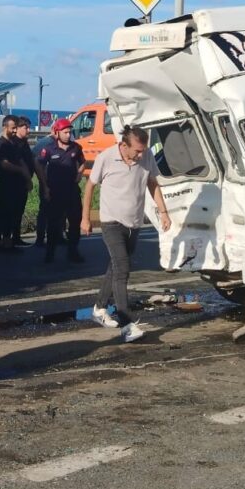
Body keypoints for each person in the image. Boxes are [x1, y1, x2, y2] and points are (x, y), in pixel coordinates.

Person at [81, 127, 172, 343]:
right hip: (111, 222)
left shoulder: (146, 155)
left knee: (116, 266)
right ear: (124, 145)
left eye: (143, 151)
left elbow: (152, 183)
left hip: (134, 222)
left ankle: (99, 308)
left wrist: (163, 212)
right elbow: (90, 186)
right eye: (137, 151)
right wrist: (85, 218)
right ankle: (126, 324)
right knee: (123, 268)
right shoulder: (106, 158)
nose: (141, 155)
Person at [36, 117, 85, 263]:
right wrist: (44, 184)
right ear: (57, 133)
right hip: (55, 191)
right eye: (65, 132)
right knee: (53, 223)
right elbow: (38, 164)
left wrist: (79, 175)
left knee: (75, 221)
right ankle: (50, 253)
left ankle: (73, 251)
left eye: (69, 132)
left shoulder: (76, 147)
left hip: (72, 191)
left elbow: (82, 163)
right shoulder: (49, 149)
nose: (68, 135)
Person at [0, 117, 32, 251]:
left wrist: (27, 178)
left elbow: (21, 161)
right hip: (6, 184)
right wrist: (21, 170)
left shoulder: (13, 144)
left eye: (16, 128)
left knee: (13, 213)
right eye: (13, 128)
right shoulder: (1, 144)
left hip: (17, 184)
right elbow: (4, 164)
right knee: (3, 213)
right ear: (5, 127)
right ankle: (0, 241)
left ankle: (10, 240)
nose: (15, 131)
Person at [11, 115, 35, 246]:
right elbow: (21, 163)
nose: (28, 130)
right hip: (16, 183)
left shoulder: (24, 142)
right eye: (25, 127)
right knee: (13, 210)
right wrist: (28, 179)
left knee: (19, 210)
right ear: (18, 128)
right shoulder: (15, 143)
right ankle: (9, 239)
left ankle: (16, 236)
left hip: (23, 183)